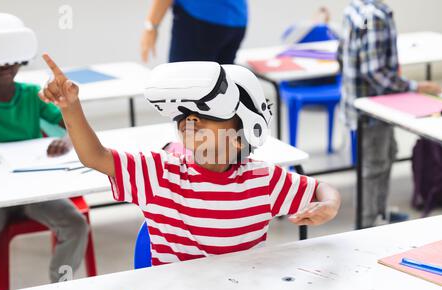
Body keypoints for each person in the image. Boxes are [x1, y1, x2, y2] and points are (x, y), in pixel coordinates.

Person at [39, 54, 341, 266]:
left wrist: (329, 204)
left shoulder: (264, 181)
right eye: (186, 119)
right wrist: (71, 108)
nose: (190, 124)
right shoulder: (160, 174)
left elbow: (320, 189)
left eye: (205, 119)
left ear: (242, 134)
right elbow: (95, 156)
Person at [0, 13, 88, 283]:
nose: (6, 66)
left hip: (34, 187)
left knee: (75, 224)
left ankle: (59, 288)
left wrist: (68, 140)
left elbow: (73, 124)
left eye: (12, 58)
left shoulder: (30, 95)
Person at [338, 0, 442, 228]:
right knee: (374, 166)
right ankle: (366, 224)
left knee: (387, 154)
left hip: (361, 103)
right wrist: (414, 86)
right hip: (373, 110)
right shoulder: (374, 16)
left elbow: (343, 55)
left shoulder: (355, 8)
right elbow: (374, 72)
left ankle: (380, 212)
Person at [141, 0, 248, 64]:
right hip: (237, 18)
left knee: (182, 90)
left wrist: (151, 26)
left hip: (199, 19)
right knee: (221, 93)